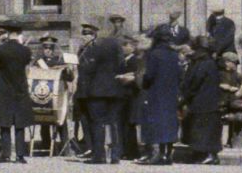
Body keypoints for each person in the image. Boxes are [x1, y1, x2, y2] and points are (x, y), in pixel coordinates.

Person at [0, 20, 34, 164]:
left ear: (7, 33)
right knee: (20, 124)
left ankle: (5, 154)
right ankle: (20, 156)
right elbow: (26, 62)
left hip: (4, 91)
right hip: (20, 90)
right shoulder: (26, 50)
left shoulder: (1, 49)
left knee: (4, 123)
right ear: (19, 34)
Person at [76, 19, 126, 164]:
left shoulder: (92, 48)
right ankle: (115, 155)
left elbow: (87, 69)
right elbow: (122, 64)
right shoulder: (116, 45)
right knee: (114, 122)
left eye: (88, 33)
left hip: (97, 91)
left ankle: (99, 156)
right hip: (115, 89)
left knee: (97, 123)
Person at [140, 26, 184, 164]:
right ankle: (167, 154)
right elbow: (180, 74)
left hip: (156, 92)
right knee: (170, 122)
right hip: (171, 92)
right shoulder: (174, 55)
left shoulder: (154, 54)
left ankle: (158, 154)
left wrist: (144, 83)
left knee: (157, 123)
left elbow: (149, 75)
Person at [181, 40, 225, 164]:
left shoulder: (204, 64)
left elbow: (195, 82)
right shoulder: (207, 62)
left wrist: (186, 96)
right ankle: (202, 154)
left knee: (205, 130)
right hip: (206, 101)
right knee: (204, 129)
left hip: (203, 101)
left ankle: (210, 155)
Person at [117, 33, 146, 161]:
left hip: (132, 96)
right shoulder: (122, 60)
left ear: (133, 47)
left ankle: (131, 151)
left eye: (126, 45)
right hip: (123, 97)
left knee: (129, 124)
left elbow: (136, 78)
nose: (123, 47)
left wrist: (123, 77)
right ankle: (124, 150)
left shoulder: (135, 61)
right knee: (122, 124)